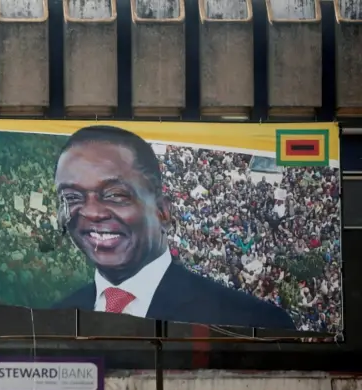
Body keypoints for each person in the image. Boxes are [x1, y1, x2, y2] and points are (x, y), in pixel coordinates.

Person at [52, 125, 295, 329]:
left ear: (163, 211)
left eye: (115, 195)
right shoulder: (54, 320)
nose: (92, 212)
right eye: (73, 197)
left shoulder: (250, 321)